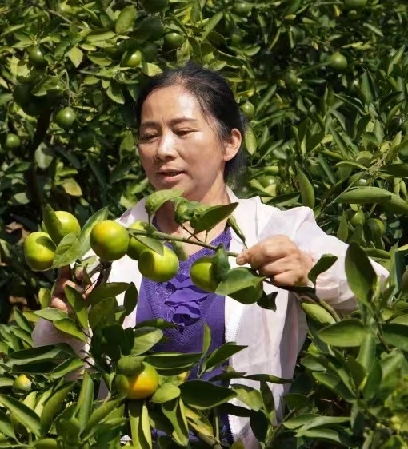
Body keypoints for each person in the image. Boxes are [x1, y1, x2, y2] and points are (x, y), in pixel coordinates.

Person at [31, 62, 389, 447]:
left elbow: (379, 290)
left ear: (230, 142)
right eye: (149, 135)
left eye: (182, 131)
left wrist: (312, 272)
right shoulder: (109, 246)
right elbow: (61, 372)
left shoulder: (279, 230)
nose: (163, 150)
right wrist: (62, 321)